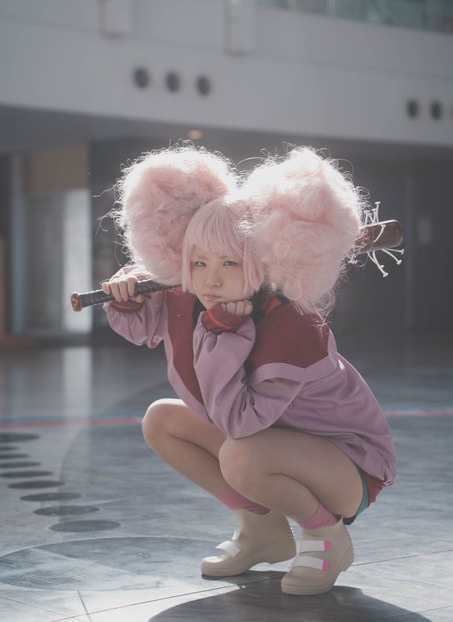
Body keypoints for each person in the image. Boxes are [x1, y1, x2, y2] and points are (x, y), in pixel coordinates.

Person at [102, 145, 396, 596]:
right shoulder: (196, 296)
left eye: (229, 263)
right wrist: (128, 297)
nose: (211, 279)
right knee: (162, 419)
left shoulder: (294, 328)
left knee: (241, 456)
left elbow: (238, 422)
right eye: (199, 262)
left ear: (261, 262)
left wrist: (223, 335)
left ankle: (327, 536)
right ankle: (263, 529)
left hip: (345, 465)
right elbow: (145, 328)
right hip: (271, 441)